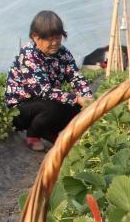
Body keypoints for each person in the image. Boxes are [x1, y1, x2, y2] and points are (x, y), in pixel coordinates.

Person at [5, 10, 93, 151]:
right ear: (35, 37)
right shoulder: (28, 54)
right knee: (52, 107)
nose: (54, 43)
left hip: (46, 103)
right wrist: (76, 98)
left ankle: (50, 134)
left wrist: (87, 98)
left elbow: (75, 76)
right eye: (49, 39)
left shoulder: (63, 53)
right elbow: (44, 91)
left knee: (76, 108)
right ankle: (33, 135)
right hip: (21, 110)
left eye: (57, 37)